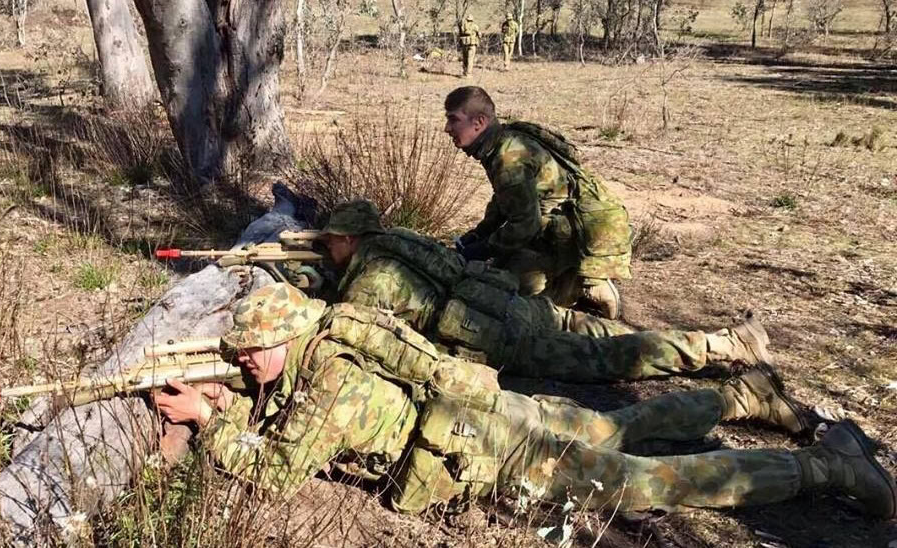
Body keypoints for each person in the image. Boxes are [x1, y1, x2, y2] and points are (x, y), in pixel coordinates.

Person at [154, 283, 896, 520]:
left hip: (493, 449)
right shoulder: (334, 337)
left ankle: (826, 470)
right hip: (495, 412)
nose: (247, 360)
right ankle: (742, 395)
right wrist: (243, 393)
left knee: (642, 485)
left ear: (288, 333)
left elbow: (279, 472)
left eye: (254, 350)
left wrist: (211, 420)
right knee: (619, 422)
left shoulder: (327, 380)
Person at [316, 199, 776, 386]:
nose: (328, 245)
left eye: (331, 240)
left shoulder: (367, 281)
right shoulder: (399, 237)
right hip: (512, 302)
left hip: (498, 334)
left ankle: (723, 345)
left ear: (349, 239)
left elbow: (349, 332)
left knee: (611, 358)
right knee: (595, 330)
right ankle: (707, 341)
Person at [444, 86, 632, 319]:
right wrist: (478, 234)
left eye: (453, 120)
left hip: (566, 235)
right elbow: (507, 199)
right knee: (497, 271)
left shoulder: (508, 156)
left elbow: (525, 225)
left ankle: (579, 286)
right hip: (557, 228)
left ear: (479, 122)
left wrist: (483, 248)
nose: (447, 128)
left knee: (506, 298)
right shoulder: (504, 141)